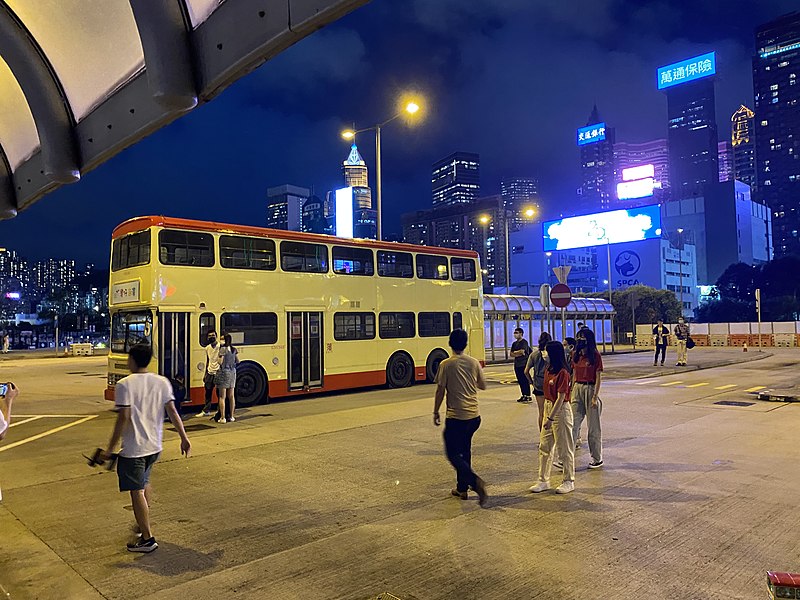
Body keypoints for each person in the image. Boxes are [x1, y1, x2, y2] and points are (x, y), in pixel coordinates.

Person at [101, 344, 191, 552]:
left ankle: (148, 538)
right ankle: (143, 526)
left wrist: (109, 449)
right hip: (154, 446)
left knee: (136, 491)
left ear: (132, 360)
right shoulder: (161, 382)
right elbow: (173, 412)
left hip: (134, 449)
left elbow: (123, 418)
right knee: (145, 482)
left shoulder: (125, 385)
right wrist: (183, 438)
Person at [433, 329, 489, 507]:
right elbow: (483, 385)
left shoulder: (446, 364)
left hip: (456, 416)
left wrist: (435, 412)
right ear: (465, 344)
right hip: (474, 416)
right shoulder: (473, 362)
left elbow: (440, 390)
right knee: (465, 450)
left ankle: (474, 481)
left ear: (450, 343)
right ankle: (462, 488)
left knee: (452, 453)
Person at [529, 341, 575, 495]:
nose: (544, 354)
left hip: (560, 411)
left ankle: (568, 480)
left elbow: (561, 397)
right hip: (549, 406)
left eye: (547, 352)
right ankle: (543, 480)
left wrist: (550, 418)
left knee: (564, 448)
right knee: (545, 446)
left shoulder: (563, 372)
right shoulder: (549, 369)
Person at [571, 328, 604, 469]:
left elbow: (598, 377)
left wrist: (595, 397)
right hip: (577, 388)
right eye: (579, 337)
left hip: (590, 389)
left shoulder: (595, 356)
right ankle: (566, 457)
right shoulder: (576, 355)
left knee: (593, 428)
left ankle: (597, 458)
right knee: (572, 424)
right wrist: (571, 391)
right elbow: (573, 374)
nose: (580, 340)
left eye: (583, 337)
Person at [525, 331, 551, 430]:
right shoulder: (552, 354)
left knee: (541, 412)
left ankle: (542, 437)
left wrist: (531, 382)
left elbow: (526, 371)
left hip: (538, 385)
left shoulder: (534, 354)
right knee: (552, 412)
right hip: (550, 384)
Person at [214, 334, 239, 423]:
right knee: (231, 396)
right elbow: (237, 361)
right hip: (233, 373)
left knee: (222, 397)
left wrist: (219, 357)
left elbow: (220, 362)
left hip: (224, 372)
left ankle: (222, 417)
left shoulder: (223, 349)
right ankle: (232, 416)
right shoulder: (234, 349)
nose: (220, 340)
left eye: (221, 338)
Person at [198, 329, 221, 417]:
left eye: (213, 335)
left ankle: (219, 411)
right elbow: (208, 360)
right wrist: (205, 374)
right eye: (210, 336)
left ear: (216, 336)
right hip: (209, 372)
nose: (212, 337)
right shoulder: (207, 348)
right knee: (208, 392)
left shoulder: (220, 347)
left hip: (218, 372)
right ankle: (206, 410)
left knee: (219, 394)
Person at [510, 327, 532, 403]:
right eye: (515, 333)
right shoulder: (514, 343)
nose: (515, 334)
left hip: (523, 364)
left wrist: (516, 353)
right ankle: (523, 395)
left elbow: (522, 352)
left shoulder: (524, 342)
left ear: (521, 334)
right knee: (520, 380)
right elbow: (511, 354)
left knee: (525, 380)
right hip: (517, 364)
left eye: (517, 333)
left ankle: (528, 395)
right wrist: (517, 353)